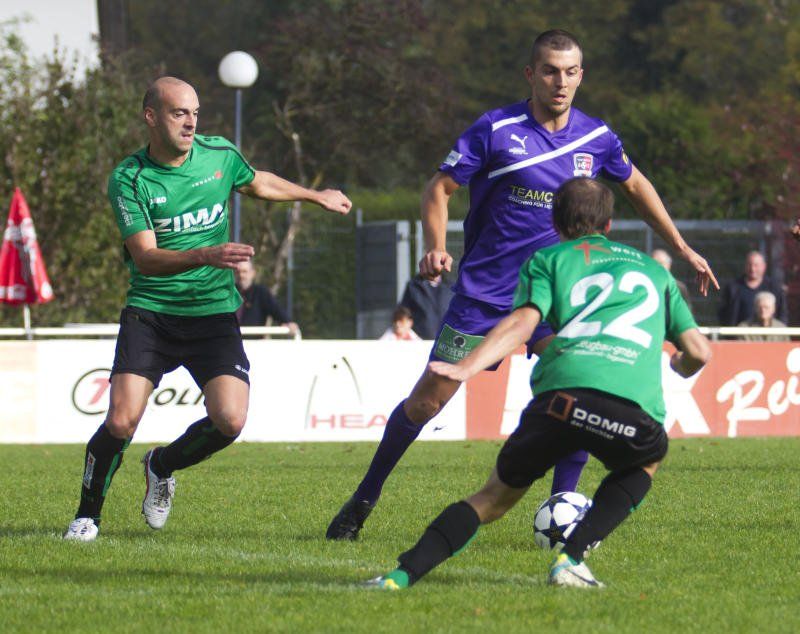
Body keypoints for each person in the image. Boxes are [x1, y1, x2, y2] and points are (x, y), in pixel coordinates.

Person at [326, 29, 717, 541]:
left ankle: (563, 510)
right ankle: (363, 499)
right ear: (531, 74)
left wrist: (682, 247)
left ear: (581, 76)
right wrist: (436, 245)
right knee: (427, 402)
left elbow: (636, 184)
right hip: (486, 295)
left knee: (578, 394)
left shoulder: (597, 137)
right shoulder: (496, 129)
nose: (560, 81)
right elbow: (439, 188)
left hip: (558, 295)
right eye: (550, 71)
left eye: (570, 72)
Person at [365, 178, 711, 590]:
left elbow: (521, 324)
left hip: (559, 399)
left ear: (555, 222)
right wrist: (679, 364)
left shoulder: (547, 259)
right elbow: (699, 352)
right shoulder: (655, 272)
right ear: (610, 224)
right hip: (632, 411)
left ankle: (400, 576)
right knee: (645, 463)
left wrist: (467, 367)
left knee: (490, 500)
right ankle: (570, 559)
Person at [63, 76, 351, 541]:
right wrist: (204, 255)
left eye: (195, 113)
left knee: (231, 419)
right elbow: (145, 258)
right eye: (179, 112)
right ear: (151, 117)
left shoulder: (219, 155)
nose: (191, 122)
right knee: (120, 419)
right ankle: (87, 516)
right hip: (152, 312)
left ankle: (162, 465)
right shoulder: (130, 178)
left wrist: (314, 195)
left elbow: (257, 181)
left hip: (213, 312)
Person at [718, 250, 787, 326]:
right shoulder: (732, 288)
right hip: (740, 332)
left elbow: (782, 313)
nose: (752, 269)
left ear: (764, 266)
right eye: (749, 265)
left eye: (756, 265)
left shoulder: (775, 288)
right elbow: (723, 313)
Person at [234, 260, 299, 336]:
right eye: (238, 272)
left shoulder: (260, 292)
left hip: (254, 341)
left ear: (253, 273)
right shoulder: (228, 293)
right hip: (230, 340)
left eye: (244, 271)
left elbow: (276, 310)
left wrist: (288, 322)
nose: (241, 275)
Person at [399, 274, 454, 339]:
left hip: (446, 340)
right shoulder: (413, 285)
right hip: (420, 340)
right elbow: (404, 313)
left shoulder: (451, 286)